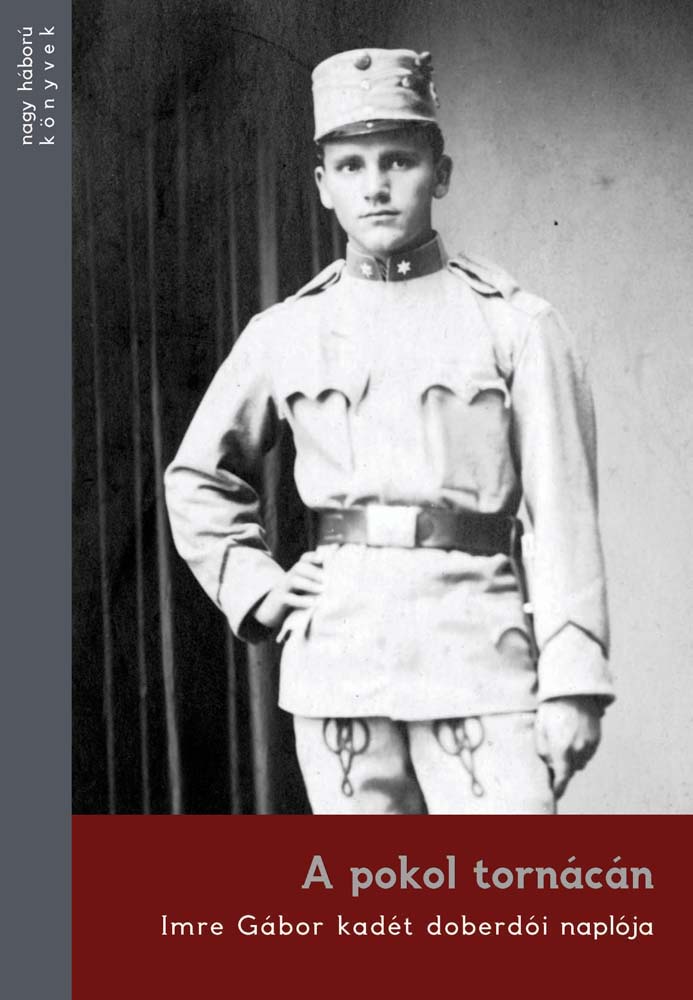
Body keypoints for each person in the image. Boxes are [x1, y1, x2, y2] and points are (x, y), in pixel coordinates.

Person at [164, 47, 613, 814]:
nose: (373, 185)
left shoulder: (514, 325)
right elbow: (196, 478)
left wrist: (573, 679)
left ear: (440, 173)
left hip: (477, 658)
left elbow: (562, 513)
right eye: (350, 166)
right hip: (339, 665)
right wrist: (258, 588)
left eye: (398, 160)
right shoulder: (285, 332)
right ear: (322, 185)